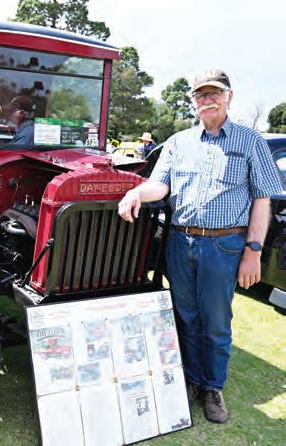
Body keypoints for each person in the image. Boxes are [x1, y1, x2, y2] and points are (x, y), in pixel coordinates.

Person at [117, 69, 281, 424]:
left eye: (214, 93)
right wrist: (136, 192)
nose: (207, 100)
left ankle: (213, 387)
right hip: (180, 241)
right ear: (194, 101)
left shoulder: (250, 141)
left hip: (224, 246)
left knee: (216, 323)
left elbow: (262, 199)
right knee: (186, 317)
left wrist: (253, 251)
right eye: (201, 95)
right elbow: (160, 186)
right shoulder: (178, 142)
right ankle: (191, 380)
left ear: (229, 97)